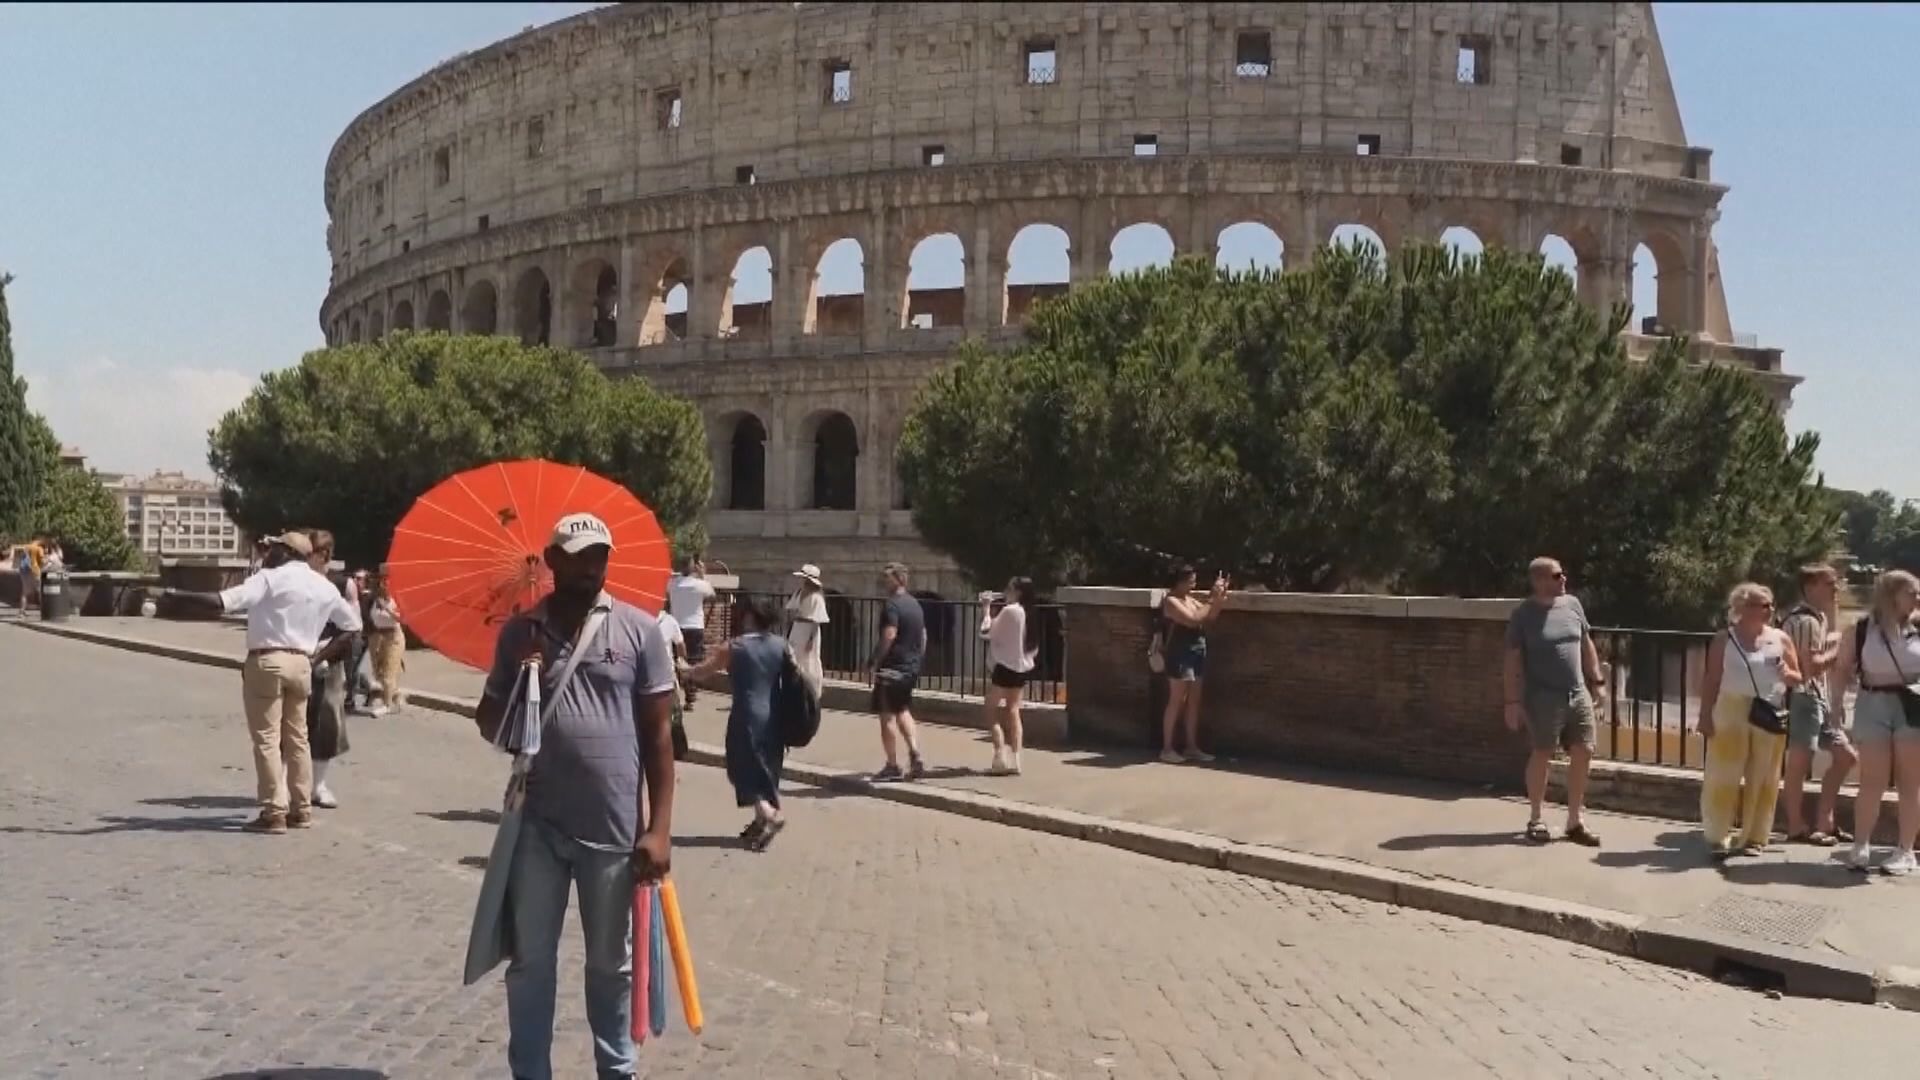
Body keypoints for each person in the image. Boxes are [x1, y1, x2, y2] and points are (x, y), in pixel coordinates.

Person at [474, 512, 677, 1080]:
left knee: (611, 966)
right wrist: (521, 675)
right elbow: (491, 725)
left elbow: (660, 739)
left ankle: (618, 1071)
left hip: (613, 832)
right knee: (531, 962)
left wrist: (658, 829)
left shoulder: (640, 632)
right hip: (537, 826)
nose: (591, 567)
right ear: (552, 560)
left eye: (600, 556)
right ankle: (530, 1071)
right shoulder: (519, 634)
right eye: (579, 556)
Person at [165, 532, 362, 833]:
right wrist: (318, 657)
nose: (267, 553)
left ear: (286, 551)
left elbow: (222, 601)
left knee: (268, 739)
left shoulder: (270, 578)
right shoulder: (322, 586)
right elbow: (352, 627)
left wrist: (177, 596)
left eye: (273, 548)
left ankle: (273, 812)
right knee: (299, 739)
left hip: (267, 660)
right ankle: (302, 809)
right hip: (301, 663)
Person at [1502, 556, 1607, 846]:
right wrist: (1511, 702)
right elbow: (1511, 661)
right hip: (1542, 697)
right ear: (1539, 581)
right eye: (1557, 575)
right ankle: (1536, 818)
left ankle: (1575, 821)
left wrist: (1597, 681)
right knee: (1543, 751)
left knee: (1584, 749)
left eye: (1563, 575)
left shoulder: (1573, 605)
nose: (1564, 580)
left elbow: (1586, 644)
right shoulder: (1523, 615)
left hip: (1577, 692)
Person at [1697, 582, 1803, 861]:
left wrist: (1785, 673)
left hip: (1768, 709)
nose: (1769, 609)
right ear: (1743, 607)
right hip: (1731, 708)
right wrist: (1704, 715)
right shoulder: (1724, 639)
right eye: (1762, 604)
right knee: (1723, 774)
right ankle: (1718, 835)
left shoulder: (1780, 639)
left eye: (1770, 604)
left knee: (1764, 776)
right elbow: (1711, 679)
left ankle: (1754, 837)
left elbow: (1798, 677)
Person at [1831, 569, 1920, 876]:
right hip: (1872, 703)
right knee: (1872, 780)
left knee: (1911, 781)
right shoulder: (1861, 630)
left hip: (1912, 706)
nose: (1917, 598)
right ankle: (1860, 845)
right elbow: (1842, 669)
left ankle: (1906, 851)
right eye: (1912, 592)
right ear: (1892, 594)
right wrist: (1835, 708)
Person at [689, 594, 792, 850]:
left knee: (741, 766)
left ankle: (769, 814)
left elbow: (704, 671)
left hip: (747, 714)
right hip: (776, 715)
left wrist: (685, 671)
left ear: (750, 617)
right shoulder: (781, 645)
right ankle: (760, 821)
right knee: (766, 766)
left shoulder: (735, 647)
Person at [1779, 564, 1855, 846]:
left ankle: (1825, 822)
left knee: (1846, 757)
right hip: (1804, 697)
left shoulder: (1814, 618)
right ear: (1810, 587)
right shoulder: (1806, 622)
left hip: (1814, 699)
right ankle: (1797, 826)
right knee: (1799, 764)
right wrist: (1842, 648)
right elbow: (1812, 666)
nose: (1836, 589)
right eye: (1830, 584)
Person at [1158, 564, 1228, 764]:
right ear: (1179, 582)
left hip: (1197, 651)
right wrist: (1211, 599)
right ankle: (1167, 748)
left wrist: (1218, 599)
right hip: (1179, 654)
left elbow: (1209, 617)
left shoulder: (1190, 600)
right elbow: (1193, 619)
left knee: (1194, 702)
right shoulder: (1171, 602)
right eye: (1190, 580)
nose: (1194, 584)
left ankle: (1191, 746)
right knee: (1177, 700)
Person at [867, 562, 928, 780]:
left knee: (887, 717)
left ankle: (892, 765)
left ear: (899, 579)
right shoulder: (915, 605)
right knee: (902, 709)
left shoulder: (892, 605)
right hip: (910, 667)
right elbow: (923, 637)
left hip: (891, 668)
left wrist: (875, 660)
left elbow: (889, 635)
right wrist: (917, 659)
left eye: (887, 578)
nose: (884, 582)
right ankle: (915, 753)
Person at [979, 577, 1040, 775]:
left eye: (1009, 589)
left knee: (990, 710)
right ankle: (1016, 759)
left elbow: (987, 632)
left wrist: (986, 610)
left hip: (1005, 667)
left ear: (1018, 592)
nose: (1006, 592)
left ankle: (999, 755)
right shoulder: (1030, 612)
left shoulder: (1010, 610)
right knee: (1014, 711)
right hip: (1022, 668)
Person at [666, 555, 716, 705]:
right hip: (695, 626)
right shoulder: (699, 585)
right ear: (693, 567)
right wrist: (702, 575)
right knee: (693, 660)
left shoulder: (672, 584)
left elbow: (667, 595)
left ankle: (677, 689)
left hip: (676, 625)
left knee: (678, 658)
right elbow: (712, 595)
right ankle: (690, 692)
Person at [654, 605, 691, 761]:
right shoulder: (669, 621)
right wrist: (682, 659)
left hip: (662, 675)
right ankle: (675, 749)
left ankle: (674, 749)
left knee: (671, 714)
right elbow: (681, 645)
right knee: (672, 714)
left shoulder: (668, 621)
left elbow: (680, 645)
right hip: (664, 675)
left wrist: (681, 661)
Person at [366, 571, 406, 715]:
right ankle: (396, 695)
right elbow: (367, 617)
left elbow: (403, 619)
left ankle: (387, 704)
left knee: (389, 671)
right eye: (382, 581)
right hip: (378, 636)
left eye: (387, 582)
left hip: (394, 637)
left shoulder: (396, 599)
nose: (384, 585)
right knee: (379, 672)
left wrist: (387, 609)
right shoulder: (373, 599)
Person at [786, 563, 829, 696]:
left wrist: (811, 638)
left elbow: (817, 620)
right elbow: (791, 609)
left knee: (809, 659)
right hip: (797, 627)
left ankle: (811, 691)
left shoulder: (817, 596)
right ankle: (795, 687)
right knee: (793, 656)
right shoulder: (799, 593)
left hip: (809, 629)